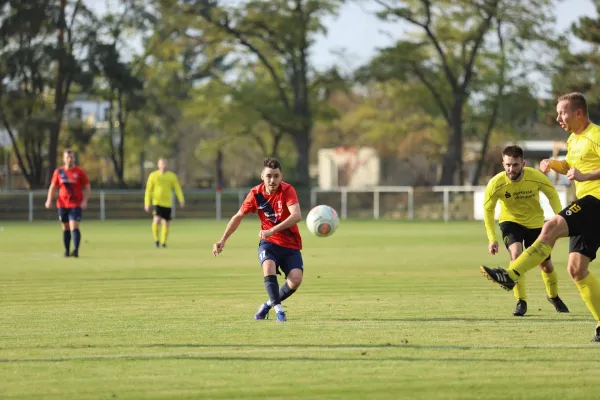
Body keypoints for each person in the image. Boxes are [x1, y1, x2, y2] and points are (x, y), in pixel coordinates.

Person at [480, 92, 600, 341]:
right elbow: (570, 167)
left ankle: (511, 275)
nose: (558, 118)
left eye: (562, 112)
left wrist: (585, 177)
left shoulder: (596, 135)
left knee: (552, 225)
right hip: (588, 206)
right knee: (576, 270)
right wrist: (554, 165)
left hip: (596, 201)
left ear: (578, 113)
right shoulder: (572, 140)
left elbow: (583, 172)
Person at [212, 157, 303, 323]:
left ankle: (267, 305)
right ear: (262, 176)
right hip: (269, 243)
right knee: (268, 266)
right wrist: (222, 240)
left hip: (290, 244)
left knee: (296, 280)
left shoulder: (288, 190)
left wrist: (271, 230)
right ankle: (280, 312)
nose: (272, 180)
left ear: (281, 176)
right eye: (269, 176)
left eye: (276, 176)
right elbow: (238, 216)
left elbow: (296, 215)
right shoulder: (256, 194)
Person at [483, 145, 569, 316]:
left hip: (536, 224)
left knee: (546, 266)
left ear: (523, 164)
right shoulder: (496, 184)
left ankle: (553, 296)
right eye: (508, 165)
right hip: (510, 222)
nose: (511, 169)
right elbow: (488, 210)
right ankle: (521, 301)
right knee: (516, 256)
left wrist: (560, 217)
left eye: (515, 165)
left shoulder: (536, 177)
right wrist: (492, 239)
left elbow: (552, 194)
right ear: (503, 164)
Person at [45, 149, 91, 258]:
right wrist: (49, 200)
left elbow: (87, 187)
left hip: (75, 204)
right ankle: (67, 250)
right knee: (65, 227)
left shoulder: (79, 172)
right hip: (62, 204)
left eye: (71, 157)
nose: (70, 159)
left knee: (74, 226)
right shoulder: (59, 172)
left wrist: (85, 200)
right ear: (64, 159)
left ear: (74, 158)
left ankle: (76, 250)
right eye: (67, 157)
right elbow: (53, 187)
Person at [144, 158, 185, 248]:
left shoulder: (172, 176)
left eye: (165, 164)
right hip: (157, 202)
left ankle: (163, 243)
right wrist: (147, 203)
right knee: (156, 220)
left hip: (167, 203)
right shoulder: (153, 175)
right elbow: (148, 190)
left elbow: (177, 189)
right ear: (158, 165)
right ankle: (156, 240)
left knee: (166, 223)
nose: (163, 165)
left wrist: (181, 199)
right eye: (161, 164)